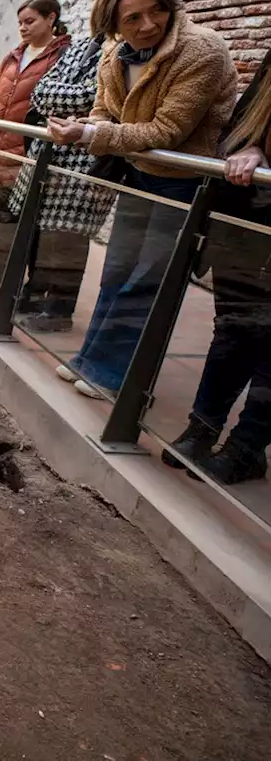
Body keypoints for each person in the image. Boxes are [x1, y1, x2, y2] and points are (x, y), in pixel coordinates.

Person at [47, 0, 237, 399]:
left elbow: (166, 131)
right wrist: (92, 125)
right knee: (117, 271)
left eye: (157, 11)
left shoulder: (201, 50)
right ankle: (91, 360)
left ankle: (117, 380)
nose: (148, 24)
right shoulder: (115, 54)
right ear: (114, 24)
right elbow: (103, 109)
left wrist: (93, 135)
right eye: (133, 18)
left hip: (186, 181)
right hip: (138, 174)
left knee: (149, 279)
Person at [163, 48, 271, 484]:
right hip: (250, 218)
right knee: (234, 326)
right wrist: (254, 148)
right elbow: (242, 124)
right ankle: (202, 426)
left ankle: (247, 447)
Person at [6, 26, 117, 333]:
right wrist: (67, 100)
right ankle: (35, 288)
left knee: (68, 235)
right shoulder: (83, 46)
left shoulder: (120, 52)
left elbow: (94, 96)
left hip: (85, 157)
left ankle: (58, 306)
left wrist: (59, 98)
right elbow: (40, 92)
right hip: (51, 150)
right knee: (39, 230)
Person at [0, 0, 72, 283]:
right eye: (20, 22)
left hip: (19, 143)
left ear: (51, 18)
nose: (23, 27)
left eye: (30, 21)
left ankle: (2, 263)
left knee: (8, 206)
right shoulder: (15, 54)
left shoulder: (61, 57)